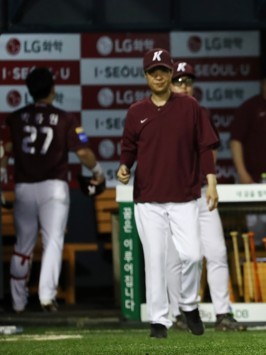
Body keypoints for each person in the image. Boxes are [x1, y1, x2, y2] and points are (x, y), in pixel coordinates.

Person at [116, 48, 219, 339]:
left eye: (163, 70)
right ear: (145, 75)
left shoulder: (190, 106)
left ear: (171, 72)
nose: (158, 76)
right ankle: (159, 320)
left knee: (192, 255)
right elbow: (128, 148)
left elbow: (205, 146)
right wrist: (124, 167)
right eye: (152, 71)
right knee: (156, 260)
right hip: (148, 198)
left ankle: (188, 304)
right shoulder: (136, 111)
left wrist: (210, 181)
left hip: (185, 195)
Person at [0, 67, 105, 313]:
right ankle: (47, 298)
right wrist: (98, 172)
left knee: (22, 244)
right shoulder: (65, 118)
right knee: (54, 241)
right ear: (53, 89)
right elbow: (83, 153)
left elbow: (3, 154)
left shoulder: (15, 118)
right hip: (54, 188)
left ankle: (18, 302)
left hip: (24, 187)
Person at [166, 61, 246, 331]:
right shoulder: (159, 112)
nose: (183, 86)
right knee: (179, 257)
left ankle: (223, 313)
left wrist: (209, 181)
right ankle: (178, 313)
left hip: (200, 192)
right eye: (178, 81)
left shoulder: (200, 111)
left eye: (187, 81)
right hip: (174, 196)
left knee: (217, 252)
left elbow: (209, 152)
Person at [230, 61, 266, 184]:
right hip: (254, 178)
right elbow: (236, 141)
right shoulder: (249, 107)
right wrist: (242, 174)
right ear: (262, 83)